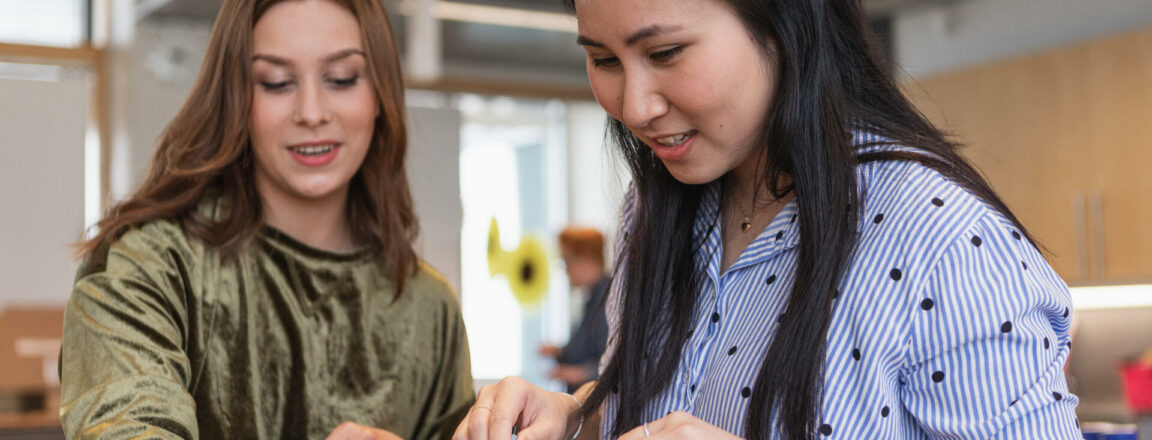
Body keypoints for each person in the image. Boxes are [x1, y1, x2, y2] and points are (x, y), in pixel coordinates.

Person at [453, 0, 1082, 439]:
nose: (635, 107)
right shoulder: (656, 207)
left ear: (784, 23)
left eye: (665, 52)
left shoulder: (941, 238)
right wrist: (572, 415)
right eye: (605, 60)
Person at [60, 1, 473, 439]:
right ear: (236, 95)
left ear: (380, 94)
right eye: (276, 83)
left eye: (342, 79)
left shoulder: (429, 307)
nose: (312, 113)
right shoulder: (149, 268)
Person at [540, 227, 610, 393]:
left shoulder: (608, 300)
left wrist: (578, 374)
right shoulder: (593, 299)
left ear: (585, 259)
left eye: (567, 261)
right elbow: (586, 349)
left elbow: (614, 362)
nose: (566, 271)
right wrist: (559, 351)